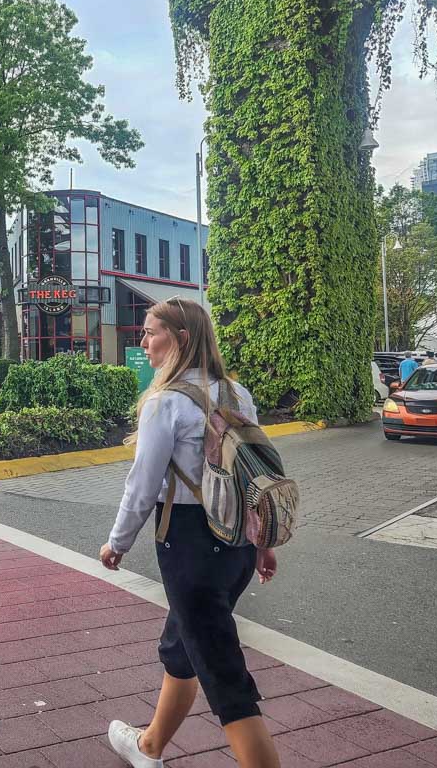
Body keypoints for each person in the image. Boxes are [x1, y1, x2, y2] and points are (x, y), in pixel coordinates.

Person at [100, 297, 280, 768]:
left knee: (224, 675)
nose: (143, 342)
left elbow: (143, 484)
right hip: (237, 541)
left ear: (179, 338)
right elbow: (255, 475)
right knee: (183, 645)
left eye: (150, 332)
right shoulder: (236, 395)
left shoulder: (166, 403)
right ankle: (149, 747)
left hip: (188, 544)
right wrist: (260, 544)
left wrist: (117, 542)